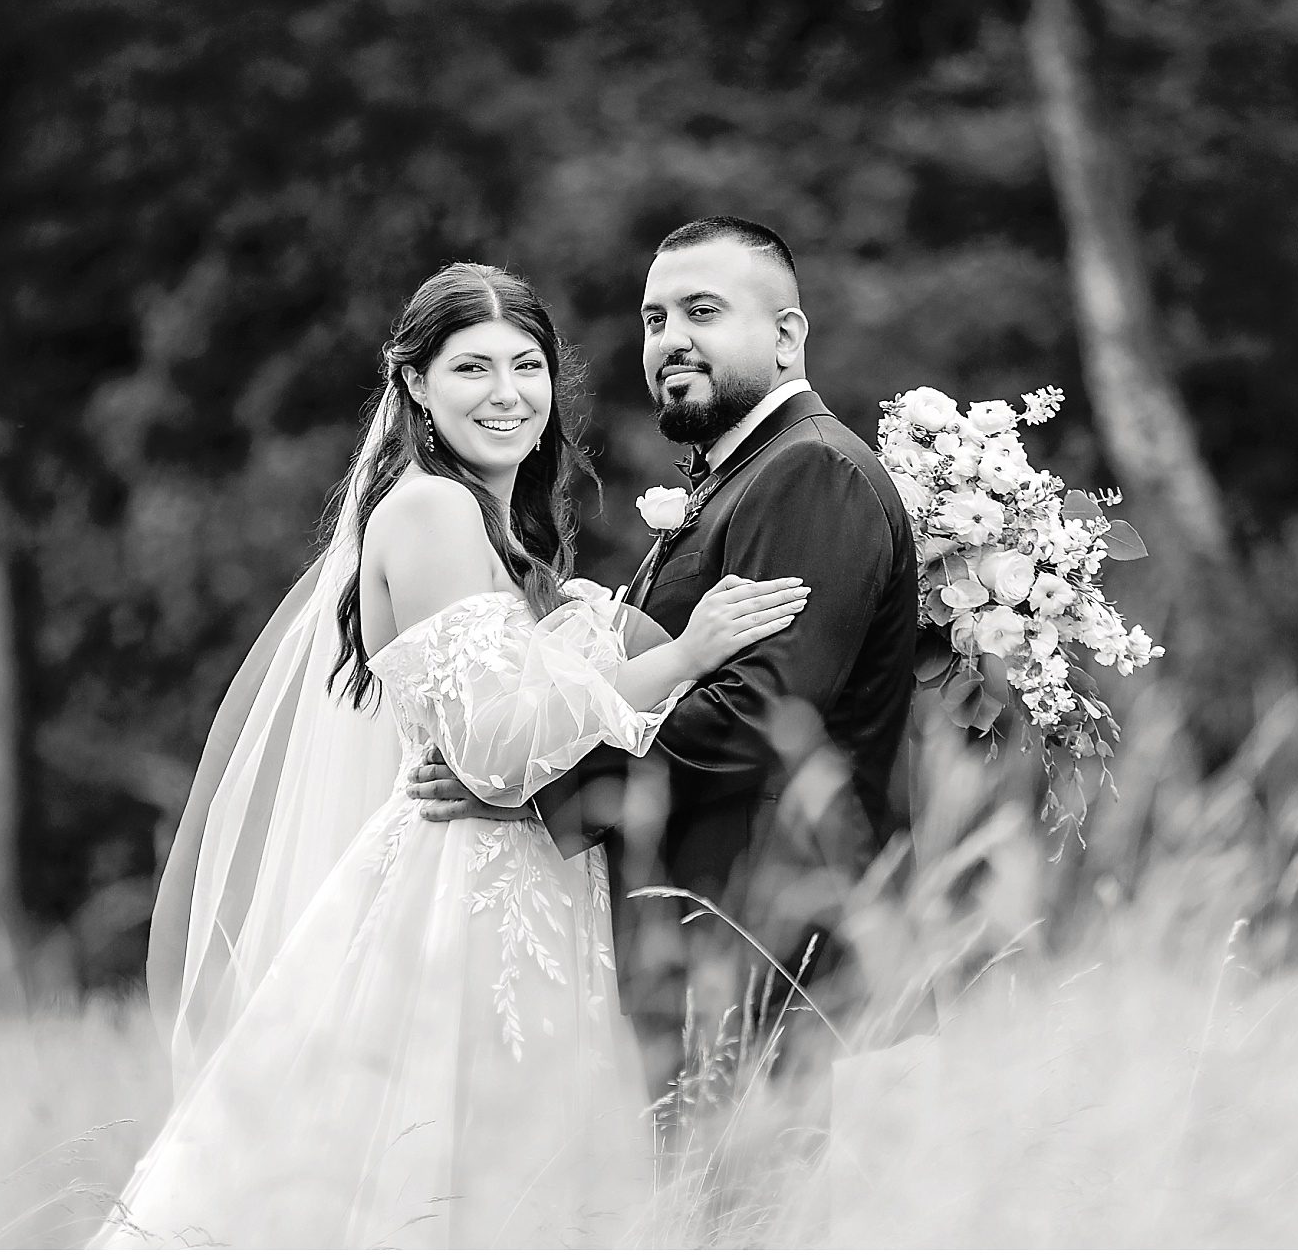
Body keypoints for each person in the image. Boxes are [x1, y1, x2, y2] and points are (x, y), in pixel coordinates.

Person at [94, 261, 811, 1248]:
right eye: (470, 367)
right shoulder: (428, 512)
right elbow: (494, 752)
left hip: (525, 891)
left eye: (526, 366)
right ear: (414, 386)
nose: (505, 393)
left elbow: (564, 691)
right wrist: (686, 654)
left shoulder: (504, 541)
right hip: (460, 906)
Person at [416, 217, 920, 1072]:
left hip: (762, 947)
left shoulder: (811, 472)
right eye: (654, 320)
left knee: (743, 1209)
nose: (670, 340)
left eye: (702, 311)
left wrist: (538, 785)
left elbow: (760, 714)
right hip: (705, 945)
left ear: (787, 335)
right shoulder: (744, 474)